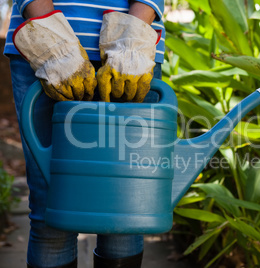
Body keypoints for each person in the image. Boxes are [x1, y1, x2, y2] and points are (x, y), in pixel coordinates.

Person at [4, 0, 165, 267]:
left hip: (134, 45)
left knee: (124, 210)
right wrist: (54, 44)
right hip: (41, 44)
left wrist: (132, 39)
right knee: (51, 209)